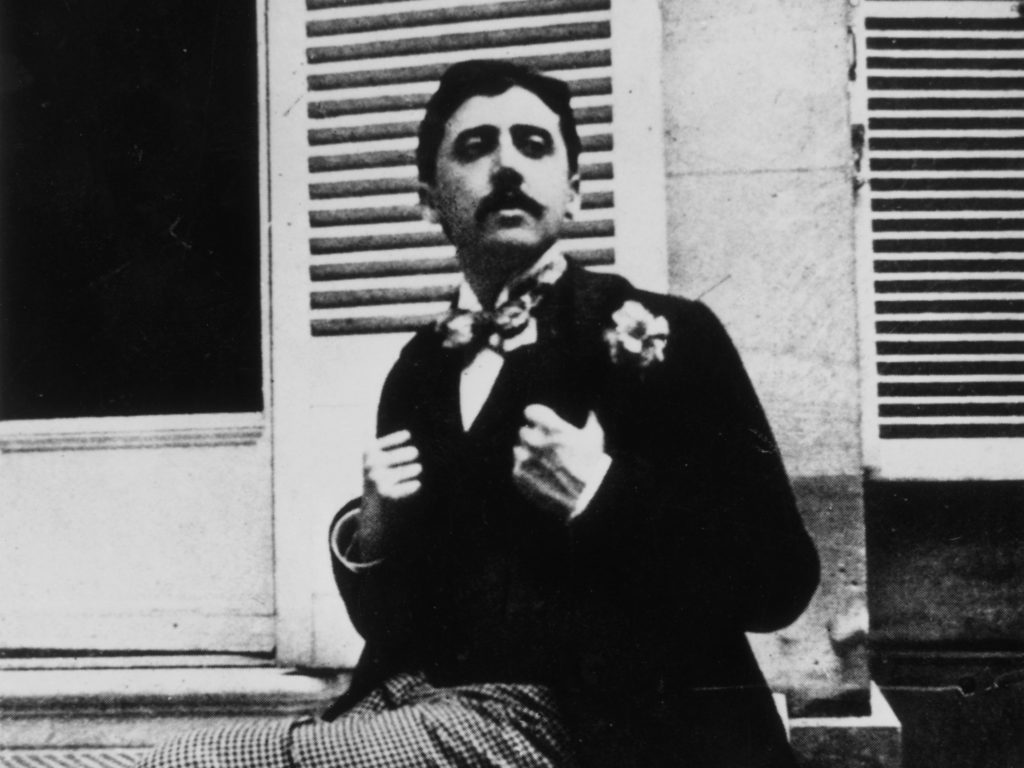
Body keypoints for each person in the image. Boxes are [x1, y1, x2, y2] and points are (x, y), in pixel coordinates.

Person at [137, 59, 819, 768]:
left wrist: (598, 494)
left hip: (595, 728)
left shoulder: (658, 332)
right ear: (430, 201)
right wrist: (375, 534)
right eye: (474, 148)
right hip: (425, 707)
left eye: (533, 144)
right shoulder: (422, 370)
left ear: (575, 191)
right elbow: (394, 623)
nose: (507, 167)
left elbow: (778, 582)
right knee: (178, 757)